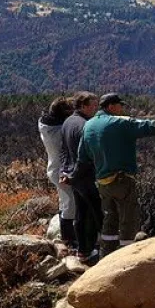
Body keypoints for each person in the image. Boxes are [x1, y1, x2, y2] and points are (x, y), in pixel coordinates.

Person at [74, 93, 155, 257]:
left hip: (102, 182)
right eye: (120, 105)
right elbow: (151, 126)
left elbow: (82, 158)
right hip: (122, 180)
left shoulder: (88, 126)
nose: (122, 109)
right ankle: (127, 257)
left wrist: (72, 177)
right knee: (128, 219)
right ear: (111, 106)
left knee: (109, 219)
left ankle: (106, 256)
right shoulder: (120, 123)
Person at [60, 91, 102, 264]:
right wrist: (74, 175)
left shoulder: (68, 122)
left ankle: (83, 251)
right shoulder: (86, 126)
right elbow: (83, 158)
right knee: (97, 214)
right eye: (93, 105)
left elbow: (63, 150)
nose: (96, 109)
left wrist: (65, 172)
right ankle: (101, 251)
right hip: (85, 176)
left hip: (73, 176)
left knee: (81, 213)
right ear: (83, 106)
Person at [38, 97, 76, 249]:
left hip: (54, 169)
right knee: (71, 203)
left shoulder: (46, 125)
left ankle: (67, 237)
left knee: (65, 201)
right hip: (63, 171)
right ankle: (69, 239)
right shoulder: (59, 132)